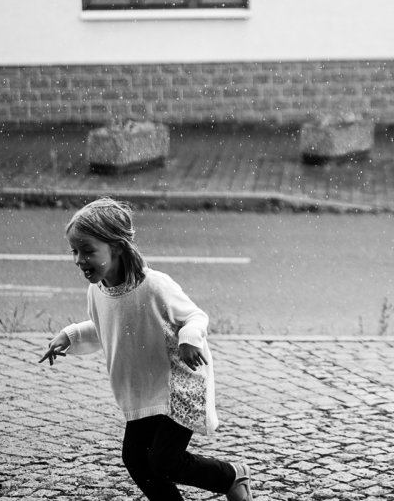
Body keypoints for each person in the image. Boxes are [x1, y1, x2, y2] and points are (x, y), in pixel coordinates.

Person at [40, 197, 254, 501]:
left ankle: (231, 476)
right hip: (143, 388)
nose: (79, 259)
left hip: (178, 385)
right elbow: (107, 328)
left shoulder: (154, 286)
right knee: (136, 459)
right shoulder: (96, 292)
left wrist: (189, 339)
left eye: (88, 251)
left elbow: (195, 317)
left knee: (164, 460)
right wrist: (70, 335)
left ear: (117, 247)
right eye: (74, 251)